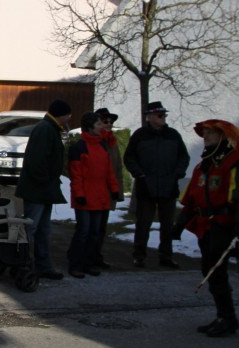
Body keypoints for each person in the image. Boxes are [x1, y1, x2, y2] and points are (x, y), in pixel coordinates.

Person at [174, 120, 239, 337]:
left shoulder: (236, 163)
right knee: (209, 269)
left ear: (223, 137)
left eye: (211, 133)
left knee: (216, 270)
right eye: (205, 133)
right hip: (204, 225)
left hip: (222, 224)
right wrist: (179, 226)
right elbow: (191, 198)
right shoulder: (203, 166)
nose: (206, 136)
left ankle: (228, 319)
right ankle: (223, 316)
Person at [123, 101, 190, 268]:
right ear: (150, 117)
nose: (163, 118)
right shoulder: (140, 135)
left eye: (164, 115)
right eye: (160, 115)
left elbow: (184, 157)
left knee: (167, 224)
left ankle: (166, 256)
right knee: (143, 224)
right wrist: (139, 174)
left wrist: (177, 173)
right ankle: (139, 256)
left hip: (168, 186)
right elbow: (129, 157)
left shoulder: (173, 135)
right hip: (147, 186)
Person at [16, 99, 72, 280]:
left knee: (43, 230)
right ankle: (26, 265)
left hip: (43, 189)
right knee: (31, 229)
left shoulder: (50, 128)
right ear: (61, 114)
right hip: (38, 190)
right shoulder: (45, 129)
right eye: (68, 114)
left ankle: (43, 265)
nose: (70, 118)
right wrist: (45, 181)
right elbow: (36, 161)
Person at [66, 112, 120, 279]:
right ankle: (76, 264)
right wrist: (79, 194)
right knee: (83, 231)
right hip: (85, 196)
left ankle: (89, 263)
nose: (102, 127)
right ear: (90, 127)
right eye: (98, 124)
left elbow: (109, 171)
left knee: (95, 233)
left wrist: (114, 189)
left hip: (100, 195)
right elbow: (76, 175)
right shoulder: (79, 147)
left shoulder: (103, 145)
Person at [92, 107, 124, 269]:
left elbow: (117, 167)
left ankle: (97, 256)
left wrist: (117, 190)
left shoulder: (111, 141)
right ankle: (86, 257)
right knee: (91, 228)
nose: (109, 124)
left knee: (101, 228)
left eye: (111, 121)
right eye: (105, 121)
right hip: (95, 192)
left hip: (108, 192)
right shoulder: (95, 141)